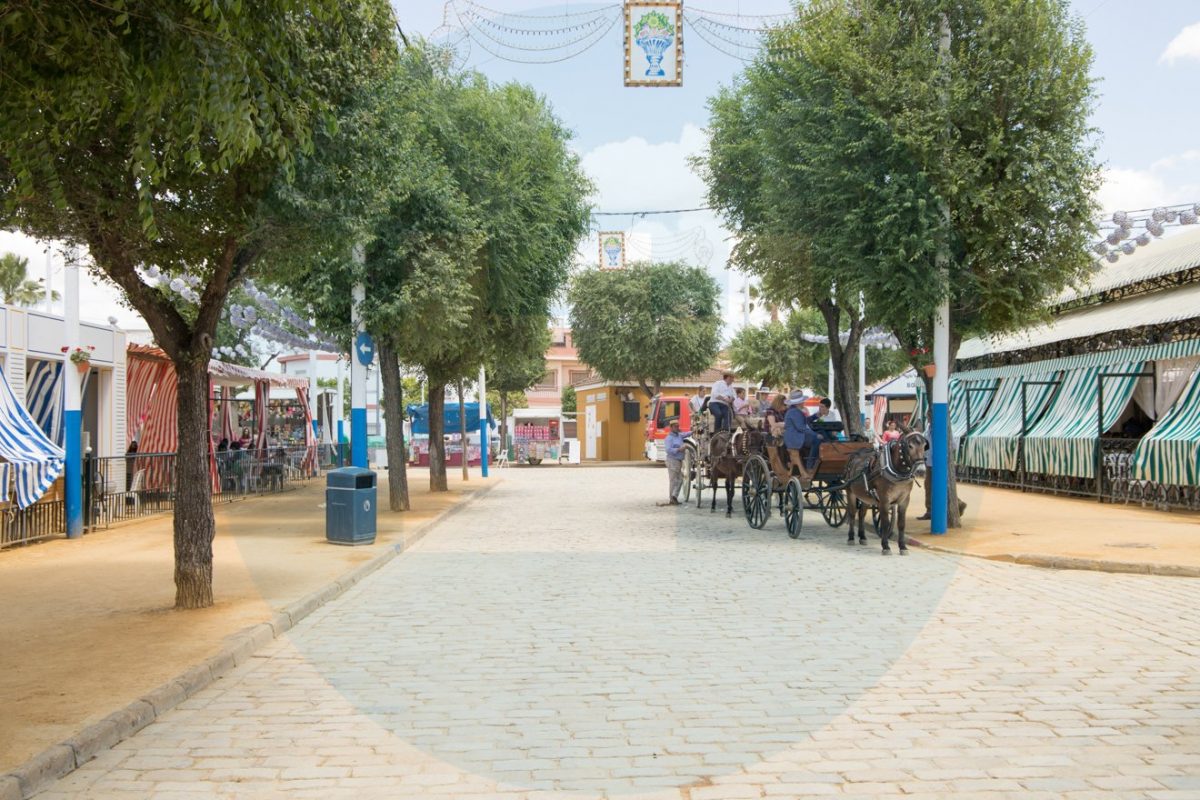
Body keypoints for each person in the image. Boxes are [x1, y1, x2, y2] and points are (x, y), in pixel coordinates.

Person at [784, 389, 821, 482]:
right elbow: (801, 427)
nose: (804, 402)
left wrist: (817, 415)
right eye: (802, 401)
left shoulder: (795, 411)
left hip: (798, 436)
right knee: (816, 440)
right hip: (795, 438)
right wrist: (816, 435)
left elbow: (805, 421)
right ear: (798, 403)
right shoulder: (794, 412)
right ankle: (810, 464)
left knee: (816, 439)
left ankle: (812, 463)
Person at [663, 419, 690, 505]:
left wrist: (694, 431)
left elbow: (686, 434)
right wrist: (679, 449)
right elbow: (668, 450)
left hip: (678, 461)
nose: (677, 428)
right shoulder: (669, 438)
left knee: (680, 479)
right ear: (671, 427)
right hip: (672, 460)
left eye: (678, 426)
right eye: (675, 426)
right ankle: (672, 499)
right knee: (673, 480)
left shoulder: (679, 435)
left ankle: (674, 496)